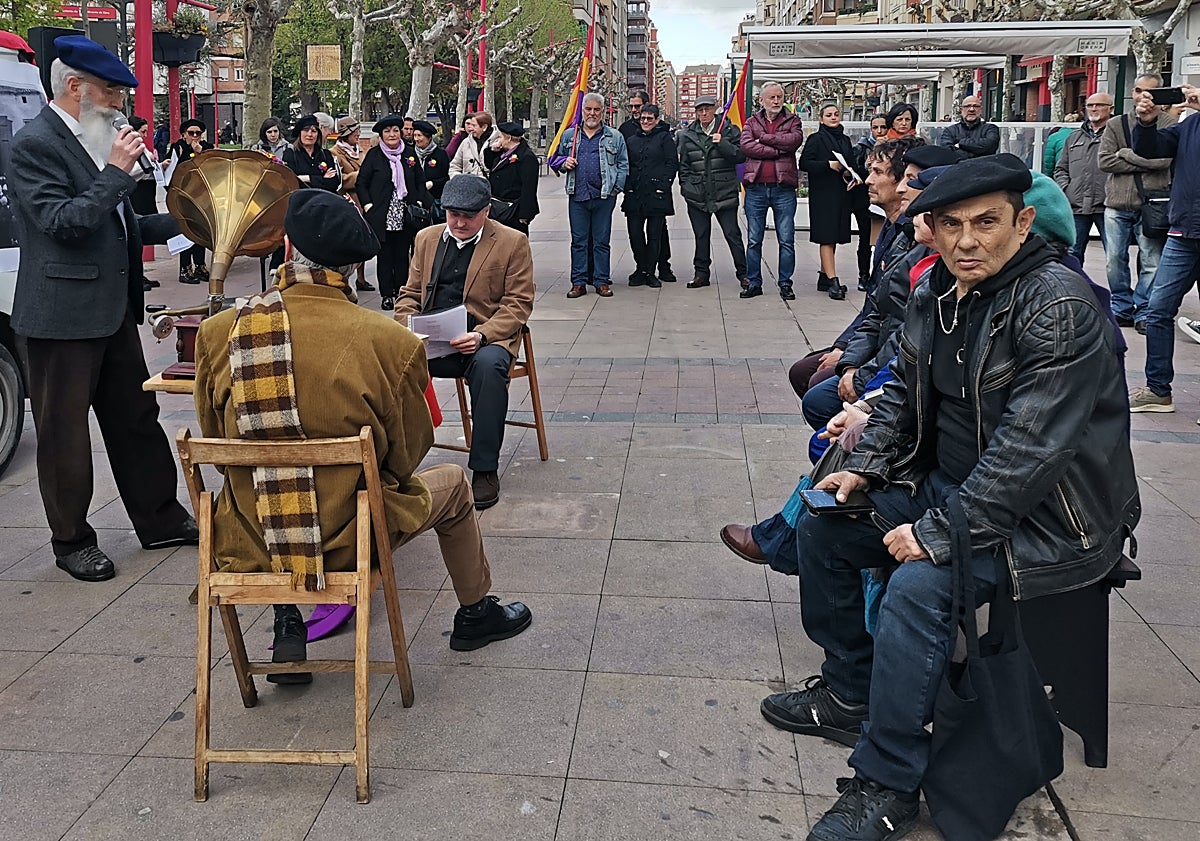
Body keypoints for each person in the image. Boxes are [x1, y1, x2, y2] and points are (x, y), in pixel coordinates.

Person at [764, 154, 1138, 841]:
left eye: (986, 223)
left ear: (1022, 223)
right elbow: (904, 393)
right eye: (951, 225)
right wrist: (865, 467)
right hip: (950, 488)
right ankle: (851, 689)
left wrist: (940, 531)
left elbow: (1030, 454)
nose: (968, 241)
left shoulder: (1057, 306)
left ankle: (889, 780)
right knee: (826, 523)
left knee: (918, 586)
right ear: (931, 230)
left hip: (1049, 519)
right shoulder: (938, 287)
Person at [193, 190, 532, 675]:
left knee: (260, 478)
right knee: (456, 485)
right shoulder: (388, 342)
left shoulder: (218, 332)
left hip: (252, 532)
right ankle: (476, 615)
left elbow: (219, 446)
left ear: (288, 248)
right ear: (353, 267)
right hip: (352, 533)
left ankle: (287, 617)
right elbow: (405, 457)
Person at [7, 35, 199, 583]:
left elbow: (119, 227)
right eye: (112, 92)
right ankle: (72, 540)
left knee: (137, 420)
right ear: (75, 87)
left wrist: (190, 221)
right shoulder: (35, 145)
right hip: (61, 318)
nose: (120, 104)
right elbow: (65, 223)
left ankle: (159, 517)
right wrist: (117, 174)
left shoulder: (94, 137)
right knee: (65, 432)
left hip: (113, 311)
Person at [394, 175, 535, 509]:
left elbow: (518, 304)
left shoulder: (512, 242)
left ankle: (485, 468)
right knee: (389, 363)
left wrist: (482, 335)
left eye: (467, 216)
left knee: (489, 369)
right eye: (451, 214)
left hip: (483, 337)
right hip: (431, 337)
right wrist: (407, 328)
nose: (458, 222)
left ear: (487, 211)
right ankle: (397, 465)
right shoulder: (427, 238)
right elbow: (409, 295)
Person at [1126, 82, 1200, 414]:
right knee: (1157, 311)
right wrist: (1147, 120)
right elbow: (1150, 149)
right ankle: (1158, 390)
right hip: (1183, 234)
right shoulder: (1189, 126)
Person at [1099, 73, 1176, 331]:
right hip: (1117, 202)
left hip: (1154, 202)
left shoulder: (1169, 123)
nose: (1143, 96)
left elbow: (1163, 161)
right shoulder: (1116, 124)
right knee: (1114, 260)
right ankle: (1121, 306)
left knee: (1151, 260)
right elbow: (1105, 161)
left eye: (1149, 91)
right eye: (1139, 90)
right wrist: (1145, 160)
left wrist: (1127, 153)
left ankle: (1144, 309)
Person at [551, 92, 629, 298]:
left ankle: (601, 281)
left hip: (604, 197)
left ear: (602, 112)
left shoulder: (614, 136)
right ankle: (578, 282)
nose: (592, 113)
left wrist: (615, 189)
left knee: (601, 241)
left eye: (596, 109)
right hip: (577, 196)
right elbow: (554, 157)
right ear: (582, 111)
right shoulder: (570, 135)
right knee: (579, 241)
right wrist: (563, 162)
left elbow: (623, 165)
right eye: (588, 109)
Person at [356, 114, 431, 311]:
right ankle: (387, 294)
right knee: (385, 256)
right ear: (381, 134)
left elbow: (419, 181)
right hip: (382, 214)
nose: (392, 134)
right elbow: (361, 183)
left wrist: (419, 201)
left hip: (405, 213)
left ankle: (401, 291)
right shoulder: (374, 155)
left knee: (402, 255)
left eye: (395, 130)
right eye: (387, 131)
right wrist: (368, 205)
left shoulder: (409, 154)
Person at [740, 81, 805, 300]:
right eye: (772, 97)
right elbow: (746, 146)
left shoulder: (793, 120)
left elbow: (794, 141)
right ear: (762, 100)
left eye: (779, 97)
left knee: (786, 239)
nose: (776, 101)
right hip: (756, 188)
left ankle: (785, 283)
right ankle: (754, 282)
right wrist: (777, 150)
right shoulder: (751, 122)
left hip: (783, 188)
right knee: (753, 239)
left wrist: (765, 138)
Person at [676, 93, 746, 289]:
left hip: (724, 192)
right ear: (696, 113)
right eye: (700, 110)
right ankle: (701, 274)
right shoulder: (687, 134)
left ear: (715, 108)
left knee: (732, 234)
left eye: (707, 108)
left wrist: (721, 142)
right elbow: (684, 164)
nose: (704, 113)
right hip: (697, 194)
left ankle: (744, 273)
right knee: (701, 235)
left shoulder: (729, 130)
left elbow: (740, 156)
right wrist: (686, 186)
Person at [800, 102, 856, 300]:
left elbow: (851, 162)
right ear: (821, 119)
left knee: (834, 235)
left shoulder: (845, 140)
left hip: (841, 192)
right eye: (829, 115)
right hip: (823, 193)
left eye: (836, 114)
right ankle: (833, 280)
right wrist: (827, 165)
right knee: (826, 236)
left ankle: (824, 276)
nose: (834, 117)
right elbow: (804, 163)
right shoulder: (815, 139)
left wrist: (851, 173)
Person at [622, 103, 677, 289]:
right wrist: (627, 187)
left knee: (655, 235)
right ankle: (641, 267)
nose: (645, 121)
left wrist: (664, 185)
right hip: (635, 194)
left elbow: (672, 163)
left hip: (656, 194)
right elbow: (625, 164)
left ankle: (651, 271)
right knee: (635, 234)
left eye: (649, 118)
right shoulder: (631, 140)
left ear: (657, 120)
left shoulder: (665, 138)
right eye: (643, 118)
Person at [1053, 92, 1113, 261]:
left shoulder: (1118, 135)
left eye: (1099, 105)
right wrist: (1066, 189)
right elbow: (1061, 169)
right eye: (1090, 105)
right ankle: (1074, 287)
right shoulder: (1073, 138)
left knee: (1114, 257)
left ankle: (1119, 289)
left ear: (1111, 108)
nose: (1094, 109)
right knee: (1072, 256)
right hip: (1077, 207)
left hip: (1107, 206)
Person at [330, 116, 374, 292]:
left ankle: (361, 279)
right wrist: (362, 176)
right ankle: (344, 280)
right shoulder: (335, 153)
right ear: (345, 134)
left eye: (358, 130)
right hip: (348, 203)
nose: (358, 134)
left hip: (365, 201)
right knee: (348, 243)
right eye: (354, 131)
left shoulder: (361, 151)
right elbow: (339, 180)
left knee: (363, 241)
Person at [170, 117, 213, 284]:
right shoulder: (178, 148)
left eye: (198, 133)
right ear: (183, 135)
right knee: (185, 231)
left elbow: (211, 168)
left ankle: (200, 265)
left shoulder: (207, 148)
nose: (195, 136)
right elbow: (178, 168)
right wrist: (192, 153)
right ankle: (185, 268)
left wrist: (200, 153)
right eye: (191, 133)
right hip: (183, 196)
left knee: (200, 231)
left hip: (201, 196)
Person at [850, 115, 889, 291]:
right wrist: (866, 166)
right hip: (865, 200)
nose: (879, 131)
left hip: (886, 198)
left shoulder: (892, 146)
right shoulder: (861, 147)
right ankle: (863, 275)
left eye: (883, 127)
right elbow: (853, 171)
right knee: (865, 237)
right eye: (876, 127)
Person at [485, 121, 540, 235]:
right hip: (498, 207)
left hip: (514, 209)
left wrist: (525, 214)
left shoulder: (526, 157)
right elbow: (489, 165)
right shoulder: (502, 153)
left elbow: (529, 187)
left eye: (500, 137)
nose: (498, 139)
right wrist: (492, 151)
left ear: (508, 138)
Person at [127, 115, 160, 291]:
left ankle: (141, 273)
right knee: (135, 235)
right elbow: (128, 171)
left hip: (148, 192)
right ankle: (135, 276)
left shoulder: (142, 147)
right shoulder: (128, 148)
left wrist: (160, 165)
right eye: (143, 131)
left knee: (142, 236)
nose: (145, 135)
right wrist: (147, 166)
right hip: (137, 193)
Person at [282, 114, 340, 193]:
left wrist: (307, 178)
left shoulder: (326, 155)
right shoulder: (291, 154)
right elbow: (291, 182)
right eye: (306, 130)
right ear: (300, 133)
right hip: (302, 201)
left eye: (313, 131)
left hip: (324, 200)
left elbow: (333, 183)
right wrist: (322, 179)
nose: (309, 134)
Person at [411, 118, 450, 221]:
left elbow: (447, 177)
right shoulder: (410, 153)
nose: (416, 139)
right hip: (414, 200)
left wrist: (433, 183)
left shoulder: (441, 155)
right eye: (415, 135)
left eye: (419, 136)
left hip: (435, 200)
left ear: (428, 137)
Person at [449, 111, 493, 177]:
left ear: (484, 127)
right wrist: (459, 180)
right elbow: (454, 166)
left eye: (474, 125)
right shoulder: (466, 142)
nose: (470, 128)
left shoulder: (497, 142)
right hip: (467, 185)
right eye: (468, 124)